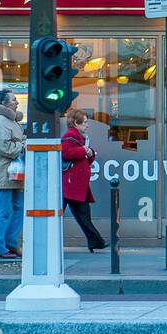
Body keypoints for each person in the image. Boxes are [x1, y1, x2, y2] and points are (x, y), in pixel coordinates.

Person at [0, 88, 26, 259]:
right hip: (3, 170)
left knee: (17, 208)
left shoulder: (9, 120)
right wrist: (22, 146)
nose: (17, 102)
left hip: (11, 170)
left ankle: (9, 243)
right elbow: (4, 147)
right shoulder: (0, 120)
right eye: (14, 100)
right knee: (2, 210)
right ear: (4, 104)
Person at [61, 108, 106, 251]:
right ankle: (95, 241)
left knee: (83, 215)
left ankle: (95, 242)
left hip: (75, 184)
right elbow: (65, 153)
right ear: (76, 123)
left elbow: (84, 158)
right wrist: (84, 151)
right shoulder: (70, 136)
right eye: (85, 122)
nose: (87, 125)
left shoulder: (79, 137)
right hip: (72, 184)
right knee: (83, 215)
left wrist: (89, 153)